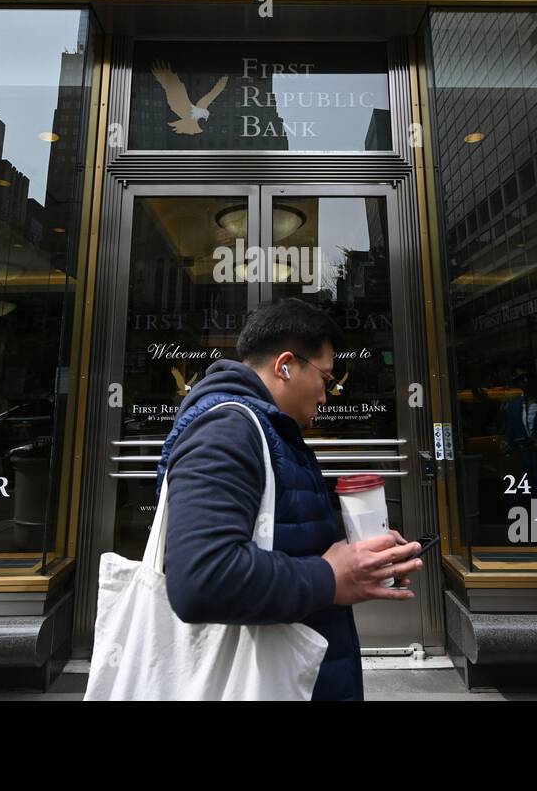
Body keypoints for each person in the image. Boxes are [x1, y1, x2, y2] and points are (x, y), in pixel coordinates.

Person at [155, 298, 422, 701]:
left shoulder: (272, 429)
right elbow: (201, 579)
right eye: (325, 378)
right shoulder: (226, 429)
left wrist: (362, 563)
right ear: (285, 366)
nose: (326, 396)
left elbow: (286, 540)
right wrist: (331, 577)